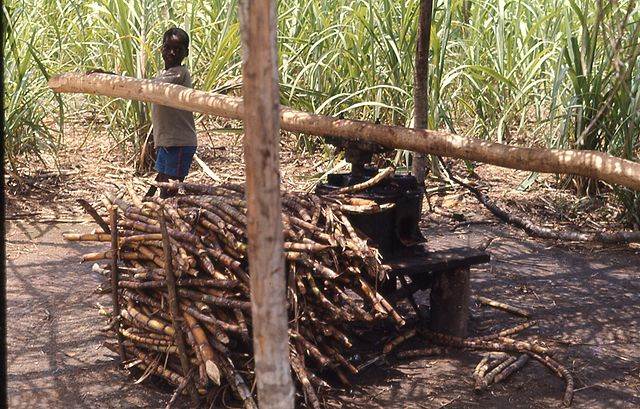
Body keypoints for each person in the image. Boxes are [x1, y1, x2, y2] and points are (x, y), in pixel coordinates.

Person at [146, 27, 197, 198]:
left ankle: (168, 220)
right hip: (166, 142)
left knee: (170, 191)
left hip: (179, 142)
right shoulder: (163, 74)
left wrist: (114, 78)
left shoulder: (179, 73)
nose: (172, 52)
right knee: (163, 184)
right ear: (162, 49)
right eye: (168, 48)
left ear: (186, 52)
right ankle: (160, 213)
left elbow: (148, 87)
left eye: (178, 49)